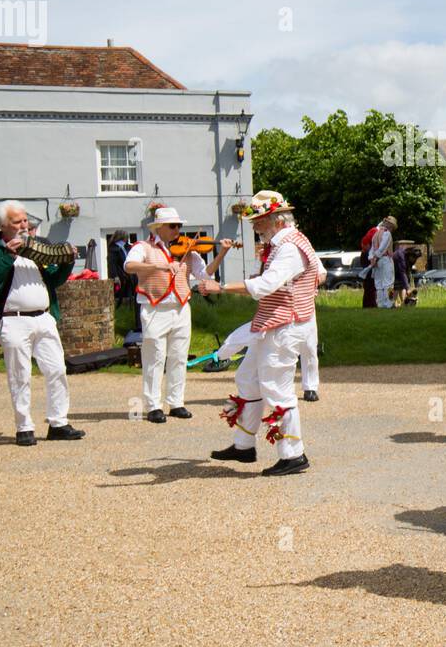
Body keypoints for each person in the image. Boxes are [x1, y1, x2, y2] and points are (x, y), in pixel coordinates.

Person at [210, 191, 317, 476]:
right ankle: (244, 446)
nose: (254, 226)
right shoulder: (286, 243)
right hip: (274, 322)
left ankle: (293, 454)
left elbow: (266, 284)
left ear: (275, 219)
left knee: (276, 387)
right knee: (247, 378)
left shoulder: (290, 248)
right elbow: (318, 274)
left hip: (285, 326)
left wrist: (221, 287)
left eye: (258, 220)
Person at [0, 201, 84, 447]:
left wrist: (67, 262)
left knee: (57, 369)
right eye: (17, 222)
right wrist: (8, 256)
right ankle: (24, 426)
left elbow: (55, 280)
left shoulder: (37, 249)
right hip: (13, 320)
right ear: (3, 226)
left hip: (44, 317)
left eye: (25, 220)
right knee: (20, 375)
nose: (24, 225)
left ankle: (58, 422)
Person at [123, 207, 220, 424]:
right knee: (154, 357)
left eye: (179, 226)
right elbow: (129, 266)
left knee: (179, 356)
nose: (178, 230)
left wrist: (221, 252)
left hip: (181, 306)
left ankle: (176, 402)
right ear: (159, 227)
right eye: (173, 226)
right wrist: (159, 265)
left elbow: (205, 274)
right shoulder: (143, 247)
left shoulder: (188, 250)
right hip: (155, 306)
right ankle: (153, 405)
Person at [368, 216, 397, 308]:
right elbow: (383, 247)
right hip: (385, 260)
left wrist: (372, 258)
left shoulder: (376, 234)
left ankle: (380, 304)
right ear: (390, 225)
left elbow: (371, 249)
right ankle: (389, 303)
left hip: (377, 261)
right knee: (388, 282)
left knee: (379, 283)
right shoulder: (387, 233)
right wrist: (376, 256)